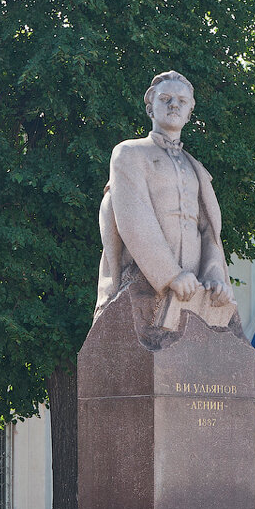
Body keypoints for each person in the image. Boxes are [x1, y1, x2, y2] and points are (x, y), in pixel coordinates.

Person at [95, 71, 235, 326]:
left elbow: (209, 231)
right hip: (144, 280)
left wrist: (214, 276)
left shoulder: (196, 169)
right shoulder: (129, 153)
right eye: (166, 98)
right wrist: (170, 274)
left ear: (189, 113)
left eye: (182, 101)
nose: (174, 104)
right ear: (151, 108)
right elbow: (134, 216)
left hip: (195, 289)